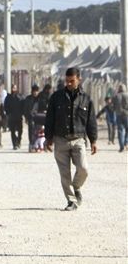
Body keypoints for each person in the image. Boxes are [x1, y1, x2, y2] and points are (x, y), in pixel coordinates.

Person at [44, 67, 97, 211]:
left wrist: (93, 140)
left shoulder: (86, 99)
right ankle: (71, 200)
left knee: (83, 169)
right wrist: (48, 138)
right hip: (60, 140)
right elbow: (49, 119)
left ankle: (77, 186)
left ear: (79, 79)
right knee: (65, 174)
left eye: (71, 81)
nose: (68, 84)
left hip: (78, 139)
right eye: (66, 81)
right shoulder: (56, 97)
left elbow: (91, 121)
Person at [4, 84, 24, 150]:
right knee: (12, 131)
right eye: (12, 88)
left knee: (20, 131)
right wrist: (8, 113)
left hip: (19, 116)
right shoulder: (8, 97)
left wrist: (23, 113)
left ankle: (19, 141)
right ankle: (14, 144)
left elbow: (23, 105)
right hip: (11, 117)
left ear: (16, 88)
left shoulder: (20, 96)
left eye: (15, 88)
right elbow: (5, 106)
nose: (13, 89)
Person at [22, 85, 40, 152]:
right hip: (30, 117)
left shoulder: (40, 98)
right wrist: (26, 117)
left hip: (39, 118)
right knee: (31, 131)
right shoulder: (28, 98)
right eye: (34, 91)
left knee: (38, 131)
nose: (35, 93)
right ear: (32, 91)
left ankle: (37, 145)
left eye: (37, 91)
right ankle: (31, 144)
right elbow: (25, 109)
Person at [112, 84, 128, 152]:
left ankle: (121, 146)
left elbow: (113, 106)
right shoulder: (127, 95)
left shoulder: (115, 96)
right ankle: (126, 143)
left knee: (120, 131)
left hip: (118, 115)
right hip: (126, 114)